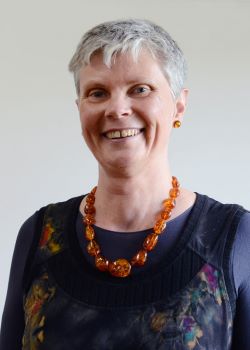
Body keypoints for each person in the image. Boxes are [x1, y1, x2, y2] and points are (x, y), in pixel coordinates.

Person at [0, 19, 249, 350]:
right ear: (80, 110)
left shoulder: (234, 238)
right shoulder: (38, 235)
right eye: (97, 93)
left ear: (179, 104)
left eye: (140, 89)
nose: (116, 109)